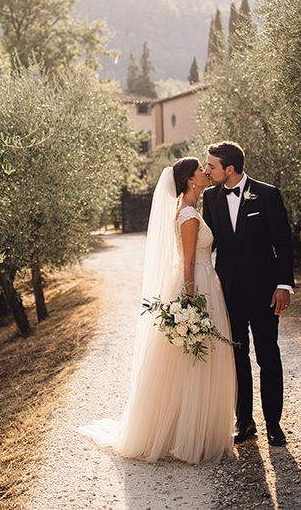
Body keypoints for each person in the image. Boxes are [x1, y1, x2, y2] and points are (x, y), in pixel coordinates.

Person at [79, 158, 236, 464]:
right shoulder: (188, 215)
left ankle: (195, 429)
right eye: (200, 171)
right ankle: (187, 434)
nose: (205, 173)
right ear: (190, 180)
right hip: (197, 284)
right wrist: (191, 301)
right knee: (194, 358)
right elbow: (189, 262)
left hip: (205, 280)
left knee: (194, 358)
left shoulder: (191, 209)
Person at [203, 141, 293, 447]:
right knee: (237, 356)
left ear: (230, 168)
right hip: (228, 293)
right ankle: (245, 422)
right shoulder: (210, 197)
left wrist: (284, 285)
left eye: (211, 166)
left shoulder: (267, 195)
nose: (206, 170)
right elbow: (208, 244)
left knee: (268, 355)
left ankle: (273, 423)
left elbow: (283, 244)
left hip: (265, 291)